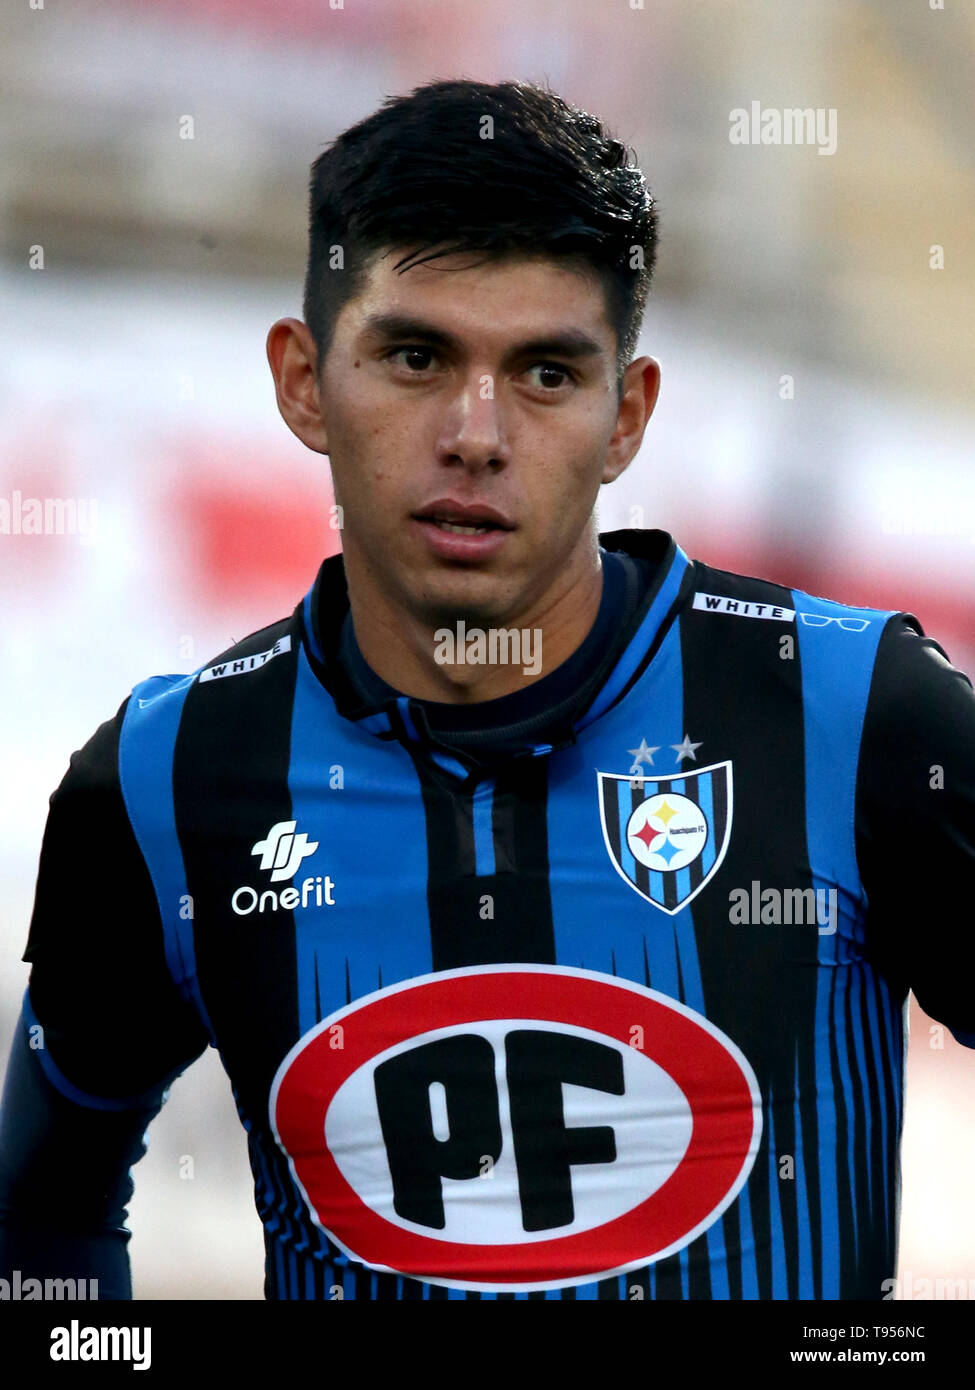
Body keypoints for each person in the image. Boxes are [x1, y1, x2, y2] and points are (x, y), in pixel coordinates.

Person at [2, 78, 973, 1302]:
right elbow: (41, 1205)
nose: (476, 430)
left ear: (627, 415)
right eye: (415, 355)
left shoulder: (856, 714)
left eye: (547, 374)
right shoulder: (164, 778)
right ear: (302, 381)